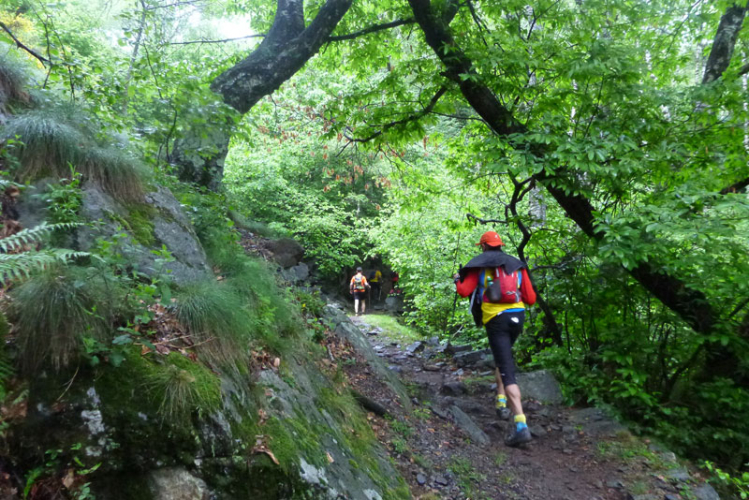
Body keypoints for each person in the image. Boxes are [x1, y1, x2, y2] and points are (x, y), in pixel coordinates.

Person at [454, 231, 537, 447]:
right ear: (500, 245)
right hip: (518, 317)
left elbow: (464, 291)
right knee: (504, 358)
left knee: (507, 369)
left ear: (483, 246)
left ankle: (521, 425)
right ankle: (501, 402)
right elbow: (531, 298)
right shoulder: (516, 265)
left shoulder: (479, 266)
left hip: (496, 320)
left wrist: (457, 280)